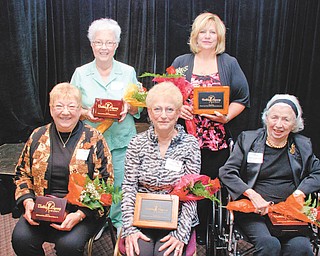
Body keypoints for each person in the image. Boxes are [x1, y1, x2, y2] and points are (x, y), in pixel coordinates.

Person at [171, 12, 250, 244]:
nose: (207, 36)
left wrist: (226, 117)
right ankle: (182, 228)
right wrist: (178, 110)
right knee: (182, 184)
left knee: (208, 186)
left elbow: (242, 98)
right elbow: (166, 96)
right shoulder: (181, 63)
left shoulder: (229, 63)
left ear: (219, 37)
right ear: (195, 35)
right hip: (184, 139)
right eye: (203, 31)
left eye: (212, 32)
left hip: (215, 141)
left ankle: (204, 232)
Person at [11, 82, 113, 256]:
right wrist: (28, 202)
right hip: (43, 208)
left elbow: (105, 182)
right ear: (51, 109)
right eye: (59, 106)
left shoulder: (94, 139)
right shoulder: (37, 136)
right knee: (21, 239)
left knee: (69, 246)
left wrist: (80, 214)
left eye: (71, 106)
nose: (65, 112)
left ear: (80, 109)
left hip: (80, 211)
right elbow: (22, 174)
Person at [219, 94, 320, 256]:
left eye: (286, 119)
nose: (278, 124)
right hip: (255, 212)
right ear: (266, 118)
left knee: (301, 249)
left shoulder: (302, 145)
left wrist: (299, 193)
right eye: (274, 117)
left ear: (295, 123)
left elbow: (317, 172)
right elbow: (227, 172)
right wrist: (252, 195)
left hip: (289, 214)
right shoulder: (248, 140)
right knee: (269, 245)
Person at [70, 18, 142, 232]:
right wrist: (86, 112)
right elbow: (70, 108)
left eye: (109, 43)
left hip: (122, 141)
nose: (104, 47)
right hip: (91, 144)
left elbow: (138, 109)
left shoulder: (128, 71)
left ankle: (119, 223)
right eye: (98, 42)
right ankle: (98, 221)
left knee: (121, 185)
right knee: (93, 184)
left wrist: (127, 107)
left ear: (116, 45)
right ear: (91, 44)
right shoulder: (80, 73)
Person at [121, 82, 201, 256]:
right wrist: (130, 228)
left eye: (170, 110)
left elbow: (192, 193)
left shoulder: (191, 145)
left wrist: (180, 234)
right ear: (149, 112)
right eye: (157, 109)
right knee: (138, 253)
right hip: (140, 218)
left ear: (179, 113)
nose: (163, 116)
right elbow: (128, 187)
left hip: (177, 218)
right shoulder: (137, 143)